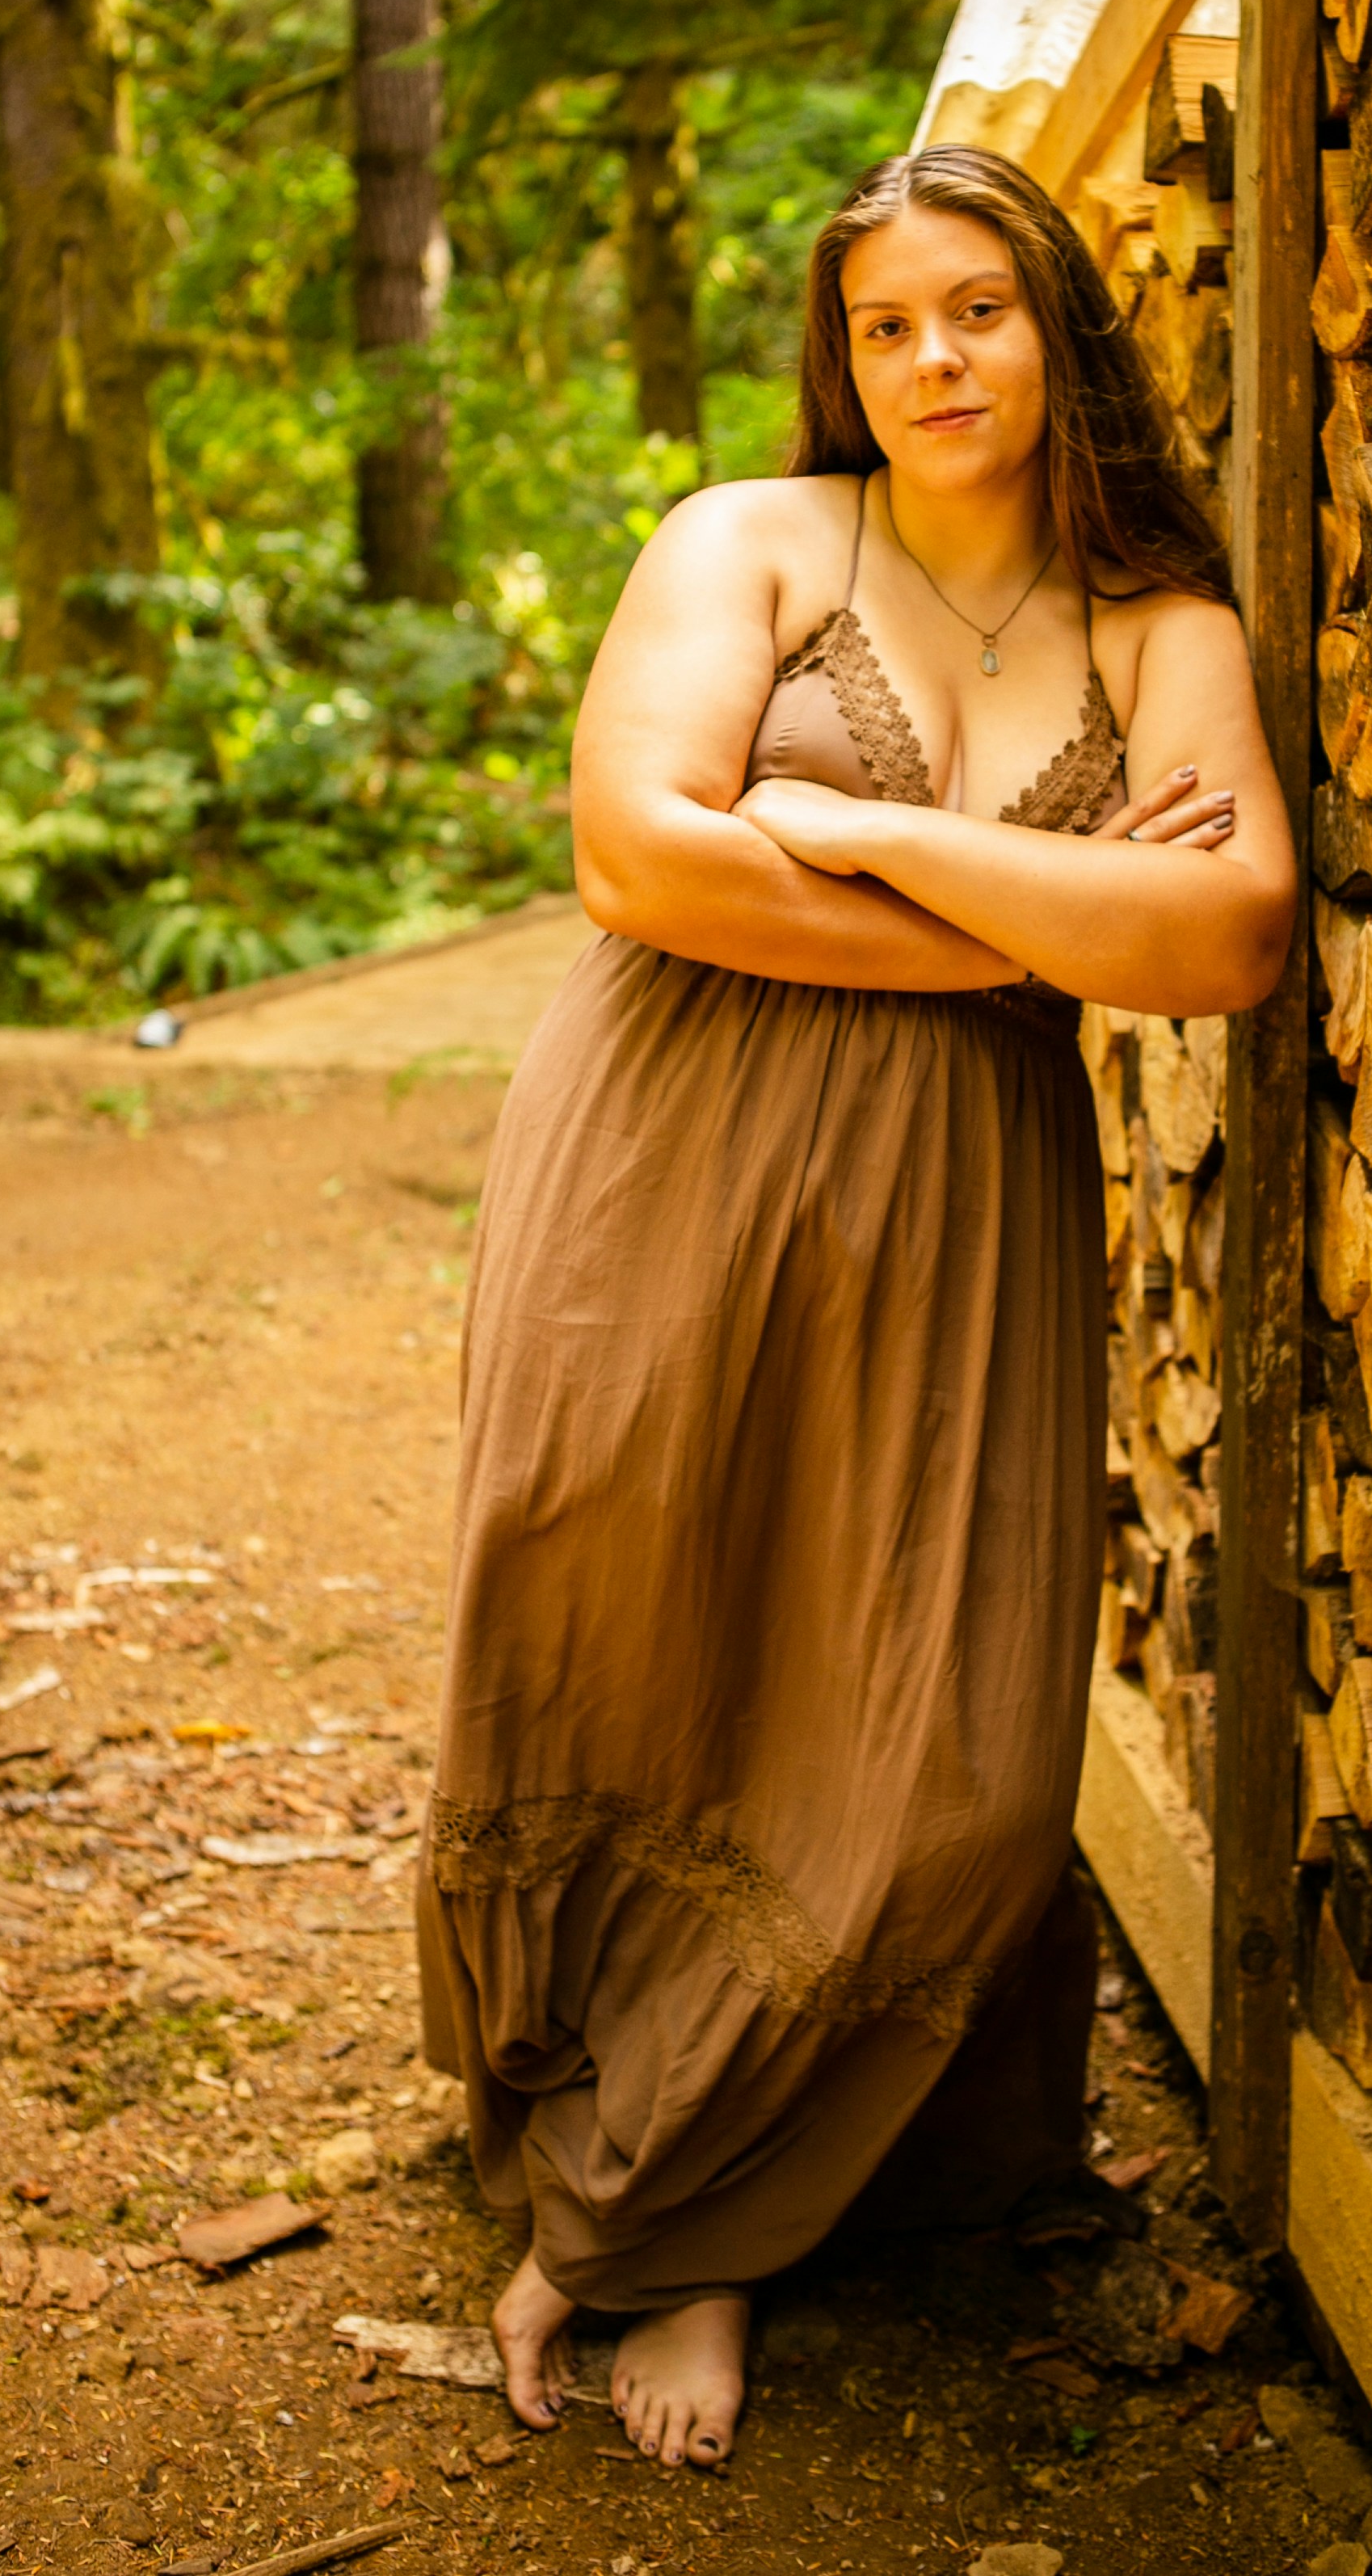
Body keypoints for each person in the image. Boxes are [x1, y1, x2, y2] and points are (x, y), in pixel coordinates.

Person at [415, 144, 1296, 2477]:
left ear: (1058, 325)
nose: (937, 360)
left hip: (962, 1196)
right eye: (893, 323)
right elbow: (635, 851)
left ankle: (704, 2178)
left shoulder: (1164, 621)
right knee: (628, 1611)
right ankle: (660, 2223)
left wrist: (875, 834)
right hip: (663, 1147)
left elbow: (1219, 944)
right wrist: (1037, 918)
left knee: (956, 1746)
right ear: (848, 353)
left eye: (980, 310)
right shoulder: (755, 540)